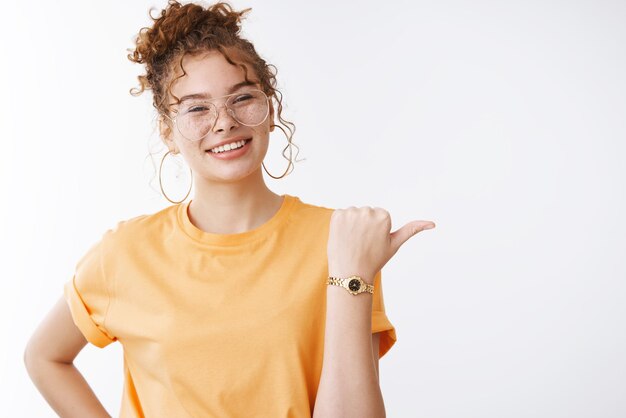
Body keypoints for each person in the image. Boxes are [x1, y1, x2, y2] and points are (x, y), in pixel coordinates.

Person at [23, 1, 436, 417]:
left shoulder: (342, 242)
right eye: (198, 108)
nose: (224, 123)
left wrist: (353, 274)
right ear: (167, 131)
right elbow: (44, 357)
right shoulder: (125, 253)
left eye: (242, 99)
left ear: (270, 110)